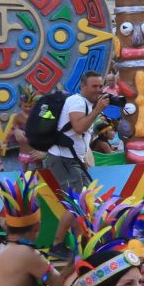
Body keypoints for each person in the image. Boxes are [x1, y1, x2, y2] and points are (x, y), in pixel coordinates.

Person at [44, 71, 105, 246]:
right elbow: (79, 127)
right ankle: (57, 244)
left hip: (73, 159)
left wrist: (82, 160)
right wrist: (97, 110)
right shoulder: (77, 101)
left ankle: (83, 243)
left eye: (101, 86)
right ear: (83, 87)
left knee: (85, 203)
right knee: (76, 203)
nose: (99, 90)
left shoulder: (85, 103)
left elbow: (79, 136)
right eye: (94, 86)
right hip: (62, 158)